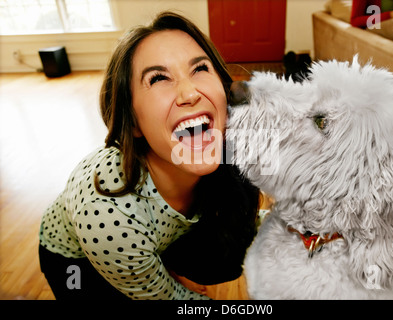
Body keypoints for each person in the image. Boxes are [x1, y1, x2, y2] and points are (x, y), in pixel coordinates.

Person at [38, 11, 260, 300]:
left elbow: (251, 217)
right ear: (133, 123)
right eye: (158, 78)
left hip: (156, 237)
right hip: (75, 261)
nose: (189, 92)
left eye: (200, 68)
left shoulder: (226, 146)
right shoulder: (108, 211)